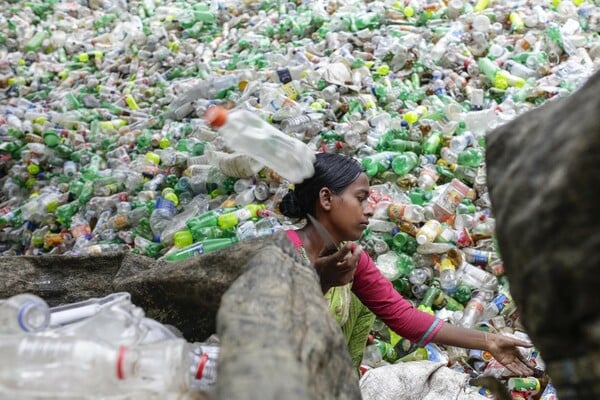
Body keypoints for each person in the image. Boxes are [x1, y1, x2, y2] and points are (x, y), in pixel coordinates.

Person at [279, 152, 534, 376]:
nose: (369, 210)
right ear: (326, 199)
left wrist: (488, 341)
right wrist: (320, 283)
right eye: (360, 199)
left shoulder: (352, 258)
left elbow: (402, 316)